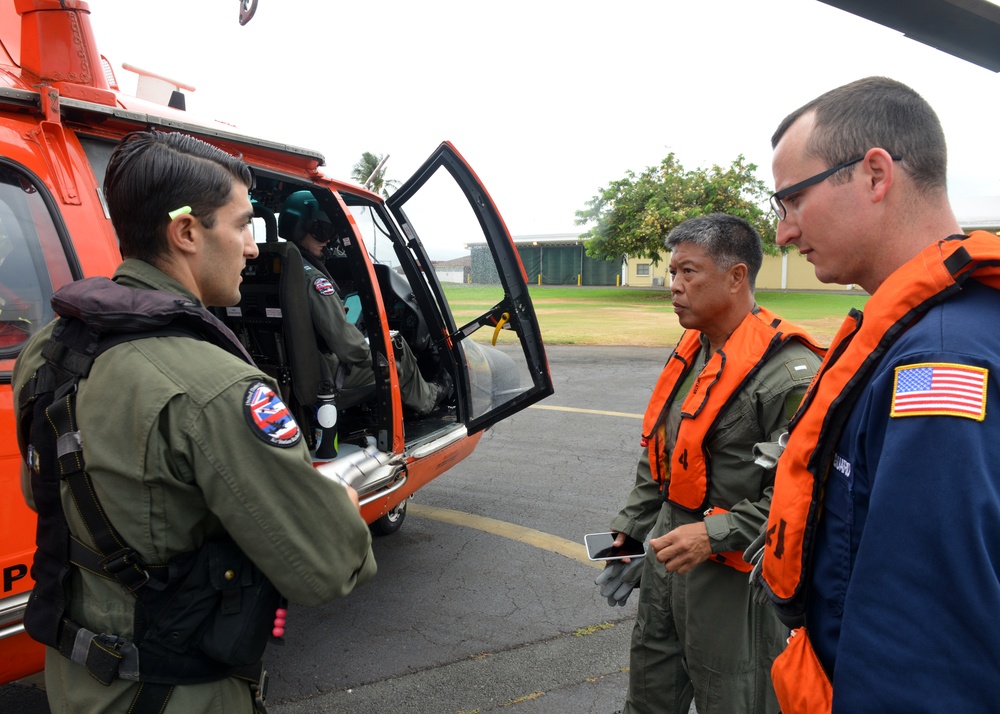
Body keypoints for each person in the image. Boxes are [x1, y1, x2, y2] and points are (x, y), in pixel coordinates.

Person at [12, 130, 377, 713]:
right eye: (240, 226)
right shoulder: (218, 388)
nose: (253, 248)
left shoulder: (49, 350)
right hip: (173, 693)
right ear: (185, 232)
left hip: (75, 682)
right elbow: (329, 565)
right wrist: (335, 487)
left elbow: (42, 492)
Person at [760, 76, 1000, 713]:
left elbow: (921, 642)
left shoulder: (940, 359)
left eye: (791, 200)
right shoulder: (941, 329)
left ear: (873, 174)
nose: (783, 233)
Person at [599, 213, 823, 714]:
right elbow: (661, 457)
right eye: (672, 272)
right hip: (669, 556)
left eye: (688, 272)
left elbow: (807, 492)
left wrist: (713, 535)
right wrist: (631, 534)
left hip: (735, 577)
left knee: (736, 699)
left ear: (736, 276)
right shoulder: (694, 350)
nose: (673, 286)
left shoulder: (790, 373)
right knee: (650, 697)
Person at [278, 190, 450, 416]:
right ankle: (428, 399)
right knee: (396, 346)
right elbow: (349, 349)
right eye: (323, 230)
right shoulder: (314, 279)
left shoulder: (280, 269)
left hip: (288, 369)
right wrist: (380, 351)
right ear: (302, 228)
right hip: (325, 374)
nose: (328, 239)